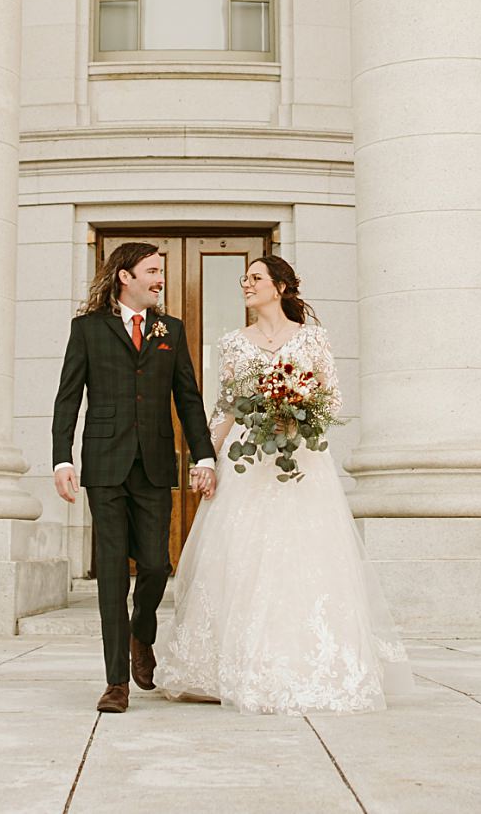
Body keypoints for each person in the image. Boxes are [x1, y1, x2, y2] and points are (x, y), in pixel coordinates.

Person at [156, 254, 409, 714]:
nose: (246, 285)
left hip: (302, 461)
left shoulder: (312, 338)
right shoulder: (233, 343)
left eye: (255, 278)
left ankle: (308, 665)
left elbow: (331, 396)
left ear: (280, 287)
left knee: (304, 556)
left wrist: (299, 416)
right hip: (247, 461)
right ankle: (226, 667)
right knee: (242, 555)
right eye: (244, 279)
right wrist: (206, 458)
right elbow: (225, 406)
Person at [52, 241, 217, 713]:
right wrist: (62, 458)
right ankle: (115, 683)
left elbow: (188, 397)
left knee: (154, 566)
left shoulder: (170, 330)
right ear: (125, 276)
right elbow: (68, 397)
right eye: (152, 270)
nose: (159, 278)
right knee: (110, 576)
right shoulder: (87, 330)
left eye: (160, 271)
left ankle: (142, 634)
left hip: (154, 463)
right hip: (104, 464)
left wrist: (203, 456)